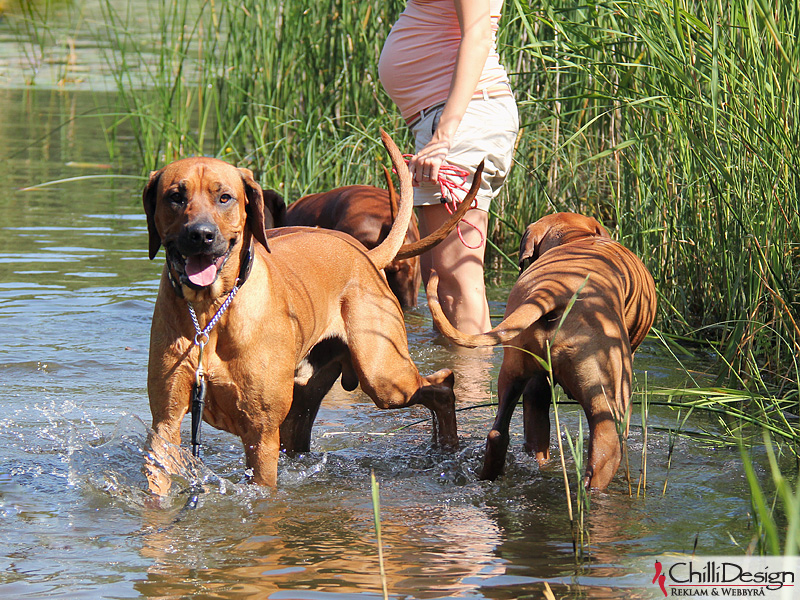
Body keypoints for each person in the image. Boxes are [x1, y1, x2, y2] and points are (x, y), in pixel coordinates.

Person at [379, 0, 519, 335]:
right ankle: (464, 383)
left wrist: (443, 135)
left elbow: (478, 35)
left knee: (456, 284)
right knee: (445, 283)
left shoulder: (449, 129)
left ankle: (473, 388)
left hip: (459, 123)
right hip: (452, 120)